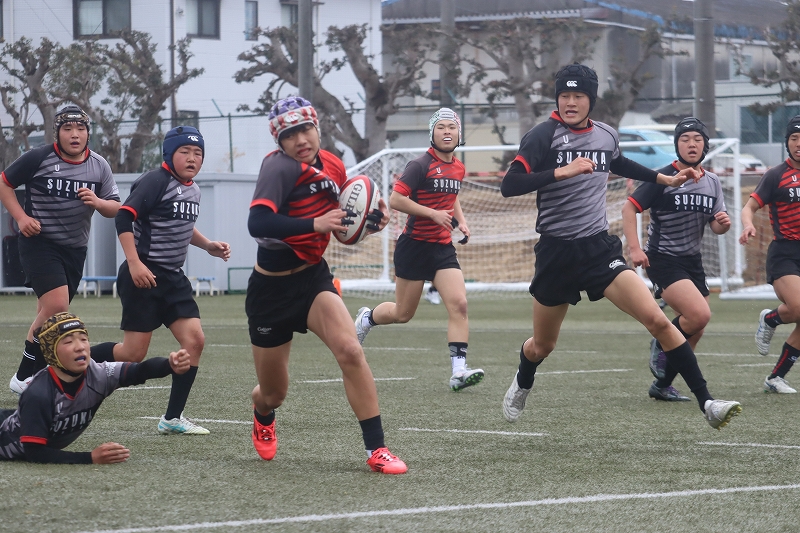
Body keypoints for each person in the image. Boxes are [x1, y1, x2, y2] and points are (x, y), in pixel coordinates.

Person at [499, 63, 741, 430]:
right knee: (542, 346)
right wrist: (560, 172)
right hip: (556, 254)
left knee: (657, 320)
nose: (570, 102)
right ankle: (523, 379)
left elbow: (619, 162)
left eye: (578, 96)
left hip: (598, 249)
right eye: (564, 95)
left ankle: (707, 402)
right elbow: (510, 185)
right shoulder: (543, 136)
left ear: (591, 100)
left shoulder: (606, 135)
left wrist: (664, 179)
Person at [246, 96, 406, 474]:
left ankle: (377, 449)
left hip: (312, 278)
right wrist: (313, 224)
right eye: (290, 134)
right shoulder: (278, 168)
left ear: (317, 128)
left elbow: (346, 221)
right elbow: (258, 223)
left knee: (350, 350)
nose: (300, 139)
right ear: (279, 142)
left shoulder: (333, 165)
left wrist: (372, 221)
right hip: (270, 290)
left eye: (305, 129)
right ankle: (262, 412)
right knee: (274, 393)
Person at [87, 126, 231, 435]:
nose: (192, 158)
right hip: (143, 275)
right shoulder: (155, 180)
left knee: (195, 341)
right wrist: (135, 263)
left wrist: (208, 245)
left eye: (198, 153)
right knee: (132, 354)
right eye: (185, 152)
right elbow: (124, 216)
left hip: (173, 278)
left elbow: (181, 225)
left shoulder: (194, 189)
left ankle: (172, 419)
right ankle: (66, 360)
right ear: (169, 154)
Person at [354, 108, 484, 392]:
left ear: (459, 133)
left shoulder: (458, 167)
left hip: (442, 249)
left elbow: (452, 195)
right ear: (432, 134)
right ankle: (367, 318)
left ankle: (458, 372)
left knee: (459, 304)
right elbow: (396, 199)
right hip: (413, 247)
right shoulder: (419, 165)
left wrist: (461, 221)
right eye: (441, 127)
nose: (447, 132)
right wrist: (432, 214)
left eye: (452, 127)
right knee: (402, 314)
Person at [1, 105, 120, 395]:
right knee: (57, 306)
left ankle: (41, 375)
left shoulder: (99, 166)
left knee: (49, 312)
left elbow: (115, 207)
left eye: (80, 129)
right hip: (39, 243)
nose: (75, 134)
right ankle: (23, 376)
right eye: (68, 129)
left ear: (88, 133)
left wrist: (97, 202)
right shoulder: (39, 157)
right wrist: (21, 218)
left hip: (75, 249)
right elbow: (4, 183)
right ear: (57, 133)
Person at [622, 117, 731, 402]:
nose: (691, 144)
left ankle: (662, 384)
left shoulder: (712, 182)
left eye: (697, 139)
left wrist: (723, 223)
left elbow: (716, 226)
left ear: (705, 145)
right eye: (685, 139)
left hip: (692, 261)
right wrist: (635, 249)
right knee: (699, 315)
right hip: (663, 259)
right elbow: (629, 208)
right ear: (676, 145)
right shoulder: (663, 177)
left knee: (696, 327)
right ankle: (661, 341)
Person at [0, 312, 192, 464]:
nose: (80, 347)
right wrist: (90, 458)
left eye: (83, 339)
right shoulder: (39, 393)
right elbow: (34, 452)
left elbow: (139, 371)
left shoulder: (98, 374)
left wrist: (170, 364)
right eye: (68, 341)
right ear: (51, 353)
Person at [740, 114, 800, 394]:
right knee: (798, 306)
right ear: (787, 142)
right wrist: (748, 225)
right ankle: (770, 319)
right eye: (794, 138)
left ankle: (775, 378)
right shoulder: (776, 175)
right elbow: (749, 207)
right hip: (785, 253)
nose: (799, 144)